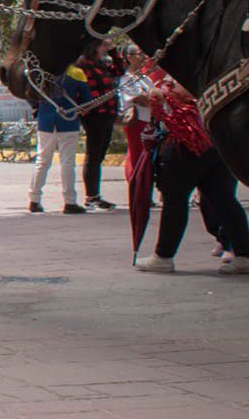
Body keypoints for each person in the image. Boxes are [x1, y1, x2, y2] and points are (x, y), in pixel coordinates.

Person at [121, 53, 249, 273]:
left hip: (186, 143)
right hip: (215, 142)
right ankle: (244, 255)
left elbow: (181, 93)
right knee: (225, 200)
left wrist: (157, 93)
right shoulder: (215, 66)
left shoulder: (190, 68)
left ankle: (164, 256)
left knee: (175, 200)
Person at [28, 67, 89, 213]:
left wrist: (38, 108)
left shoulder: (41, 73)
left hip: (46, 121)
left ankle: (34, 200)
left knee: (42, 161)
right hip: (68, 121)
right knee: (67, 162)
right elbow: (86, 99)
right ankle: (69, 201)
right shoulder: (77, 73)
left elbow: (29, 95)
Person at [77, 42, 125, 210]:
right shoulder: (83, 65)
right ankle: (91, 196)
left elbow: (120, 71)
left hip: (108, 113)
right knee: (94, 153)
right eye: (102, 46)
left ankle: (95, 194)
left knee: (100, 153)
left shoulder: (102, 64)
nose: (104, 48)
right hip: (95, 114)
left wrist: (113, 50)